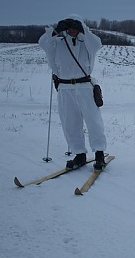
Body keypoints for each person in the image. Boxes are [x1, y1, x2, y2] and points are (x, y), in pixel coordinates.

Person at [39, 14, 107, 170]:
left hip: (84, 87)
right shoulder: (57, 42)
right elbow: (42, 43)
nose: (72, 31)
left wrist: (84, 29)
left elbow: (97, 44)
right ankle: (79, 154)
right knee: (70, 123)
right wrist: (55, 30)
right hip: (65, 87)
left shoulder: (86, 42)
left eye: (75, 28)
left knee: (93, 121)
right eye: (69, 28)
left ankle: (99, 154)